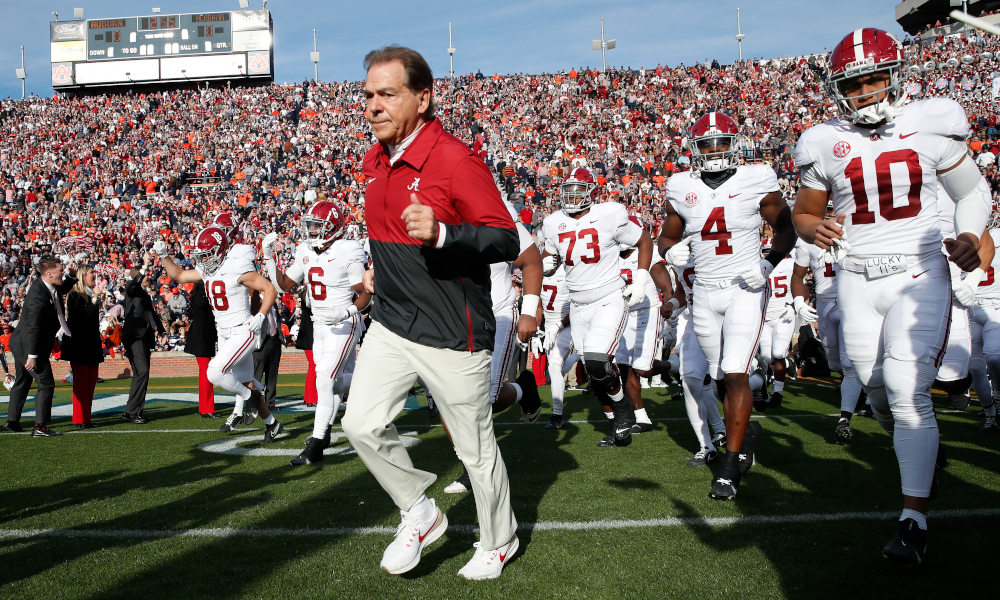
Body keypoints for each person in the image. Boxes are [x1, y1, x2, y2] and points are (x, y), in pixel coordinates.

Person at [792, 28, 992, 565]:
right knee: (874, 390)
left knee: (907, 389)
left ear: (895, 74)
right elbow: (803, 210)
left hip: (918, 269)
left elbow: (972, 191)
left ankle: (913, 518)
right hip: (855, 277)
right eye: (852, 84)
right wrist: (814, 227)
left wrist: (972, 237)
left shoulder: (932, 121)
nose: (865, 92)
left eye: (873, 78)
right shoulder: (821, 139)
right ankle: (924, 454)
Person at [341, 45, 522, 580]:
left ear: (422, 98)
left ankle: (499, 539)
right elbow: (392, 235)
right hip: (393, 323)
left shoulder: (454, 159)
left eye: (387, 94)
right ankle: (419, 511)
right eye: (368, 94)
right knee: (361, 423)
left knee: (475, 451)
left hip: (453, 332)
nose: (372, 105)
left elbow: (506, 239)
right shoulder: (376, 158)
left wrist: (446, 233)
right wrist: (381, 270)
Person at [659, 111, 797, 500]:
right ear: (695, 149)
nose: (715, 150)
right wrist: (672, 253)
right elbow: (665, 239)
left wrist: (768, 262)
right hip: (703, 291)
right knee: (720, 376)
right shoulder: (681, 185)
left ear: (735, 145)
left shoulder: (757, 178)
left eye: (721, 143)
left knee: (736, 372)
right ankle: (746, 431)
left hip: (744, 287)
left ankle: (730, 464)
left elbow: (786, 226)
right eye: (707, 144)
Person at [540, 167, 654, 448]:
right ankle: (619, 419)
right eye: (568, 190)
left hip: (608, 298)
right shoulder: (554, 222)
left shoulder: (610, 213)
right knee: (595, 373)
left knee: (596, 361)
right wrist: (546, 263)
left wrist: (640, 279)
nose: (572, 195)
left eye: (579, 190)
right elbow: (550, 255)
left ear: (592, 192)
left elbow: (643, 240)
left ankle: (624, 412)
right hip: (578, 305)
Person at [263, 201, 371, 465]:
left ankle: (316, 445)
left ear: (332, 227)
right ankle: (368, 382)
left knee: (324, 379)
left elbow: (365, 291)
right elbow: (286, 284)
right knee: (331, 382)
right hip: (320, 324)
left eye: (316, 226)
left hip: (343, 323)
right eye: (310, 225)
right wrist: (268, 258)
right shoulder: (305, 251)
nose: (311, 230)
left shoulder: (347, 250)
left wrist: (346, 312)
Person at [154, 228, 283, 442]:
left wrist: (260, 315)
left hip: (243, 330)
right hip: (224, 333)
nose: (204, 259)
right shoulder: (207, 270)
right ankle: (272, 423)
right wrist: (163, 256)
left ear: (221, 250)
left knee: (214, 372)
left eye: (208, 253)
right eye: (202, 254)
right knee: (246, 382)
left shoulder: (236, 266)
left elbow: (269, 288)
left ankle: (250, 398)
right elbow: (178, 275)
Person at [4, 256, 78, 437]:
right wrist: (32, 355)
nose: (63, 272)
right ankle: (40, 426)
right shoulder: (38, 295)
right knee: (46, 383)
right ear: (50, 273)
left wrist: (72, 276)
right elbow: (33, 328)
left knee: (22, 382)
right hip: (28, 345)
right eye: (61, 270)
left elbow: (61, 289)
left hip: (27, 343)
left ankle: (12, 421)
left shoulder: (47, 286)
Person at [121, 252, 164, 424]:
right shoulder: (132, 290)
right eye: (146, 274)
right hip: (134, 336)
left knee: (141, 373)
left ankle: (134, 411)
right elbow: (132, 285)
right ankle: (131, 412)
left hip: (143, 336)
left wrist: (162, 331)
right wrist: (144, 265)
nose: (149, 276)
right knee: (142, 371)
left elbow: (152, 315)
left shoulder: (144, 294)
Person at [61, 264, 104, 428]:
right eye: (92, 272)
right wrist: (94, 299)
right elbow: (83, 318)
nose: (95, 275)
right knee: (81, 382)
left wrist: (95, 299)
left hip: (92, 344)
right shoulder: (74, 296)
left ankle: (87, 417)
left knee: (91, 382)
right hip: (79, 346)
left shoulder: (90, 295)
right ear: (83, 275)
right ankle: (80, 419)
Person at [184, 281, 220, 418]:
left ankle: (204, 407)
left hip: (204, 338)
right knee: (207, 374)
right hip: (200, 339)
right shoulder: (200, 294)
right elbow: (202, 303)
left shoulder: (202, 294)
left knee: (204, 374)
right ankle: (207, 409)